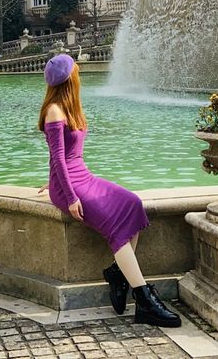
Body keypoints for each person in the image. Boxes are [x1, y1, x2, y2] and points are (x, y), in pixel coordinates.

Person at [38, 53, 181, 327]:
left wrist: (58, 179)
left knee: (132, 204)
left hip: (82, 176)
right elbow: (57, 157)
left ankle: (117, 274)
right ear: (71, 78)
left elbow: (66, 156)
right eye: (76, 70)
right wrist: (67, 195)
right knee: (115, 229)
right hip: (70, 187)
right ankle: (145, 300)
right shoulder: (55, 110)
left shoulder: (71, 107)